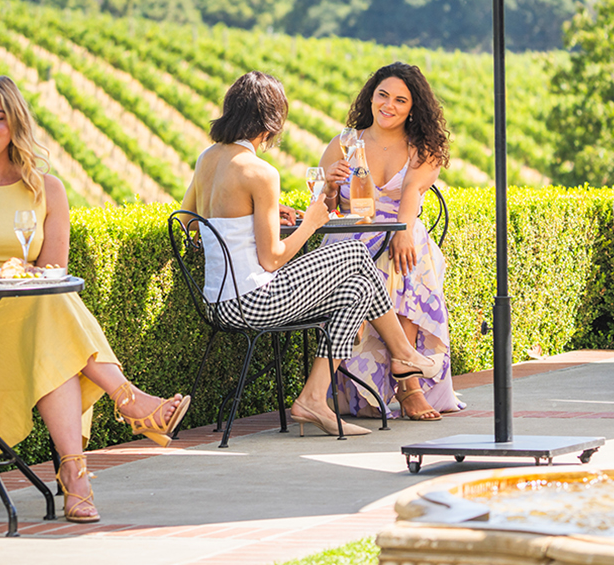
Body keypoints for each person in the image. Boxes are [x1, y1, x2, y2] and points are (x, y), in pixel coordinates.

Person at [0, 75, 188, 524]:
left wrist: (18, 278)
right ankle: (126, 407)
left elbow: (51, 274)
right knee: (49, 315)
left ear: (15, 124)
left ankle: (78, 472)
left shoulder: (47, 189)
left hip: (29, 315)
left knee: (47, 314)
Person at [178, 71, 438, 437]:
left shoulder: (208, 158)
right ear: (271, 122)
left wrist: (259, 212)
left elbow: (190, 223)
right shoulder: (260, 172)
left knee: (356, 290)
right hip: (254, 301)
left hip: (216, 301)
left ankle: (313, 397)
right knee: (354, 256)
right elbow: (272, 259)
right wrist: (312, 221)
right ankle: (403, 353)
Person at [321, 62, 464, 422]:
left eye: (401, 100)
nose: (389, 105)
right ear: (371, 97)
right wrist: (329, 185)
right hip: (351, 237)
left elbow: (412, 193)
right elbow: (324, 209)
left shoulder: (424, 147)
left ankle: (408, 384)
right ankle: (405, 376)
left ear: (413, 107)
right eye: (383, 95)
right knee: (391, 255)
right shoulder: (344, 143)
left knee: (407, 252)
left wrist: (400, 230)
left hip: (400, 227)